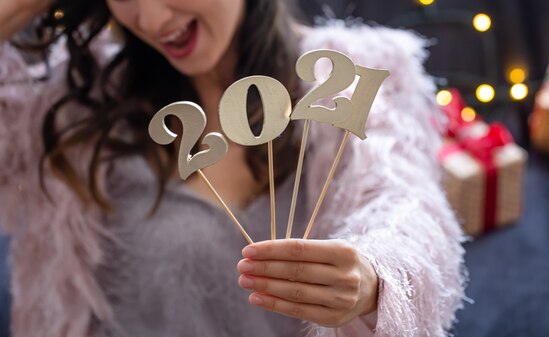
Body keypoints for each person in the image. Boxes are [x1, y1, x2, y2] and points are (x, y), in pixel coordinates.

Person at [0, 0, 466, 336]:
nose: (152, 18)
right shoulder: (68, 102)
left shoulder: (356, 71)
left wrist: (376, 277)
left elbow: (409, 208)